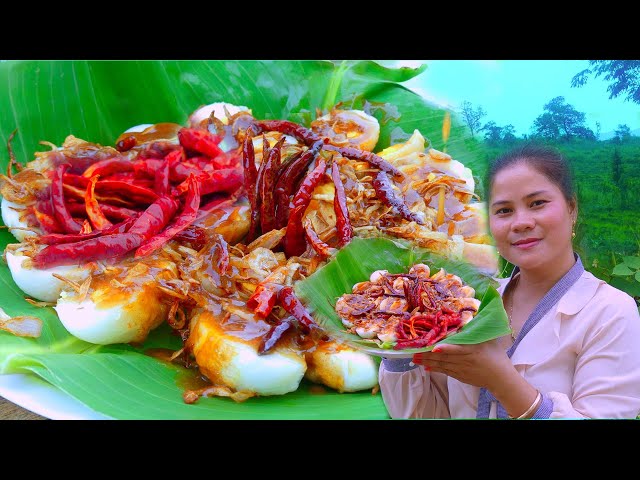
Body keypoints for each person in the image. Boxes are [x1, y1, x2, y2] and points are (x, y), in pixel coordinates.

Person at [378, 144, 640, 419]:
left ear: (572, 208)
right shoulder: (468, 303)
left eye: (537, 203)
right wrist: (397, 336)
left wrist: (500, 380)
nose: (521, 222)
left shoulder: (610, 312)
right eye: (504, 210)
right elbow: (427, 414)